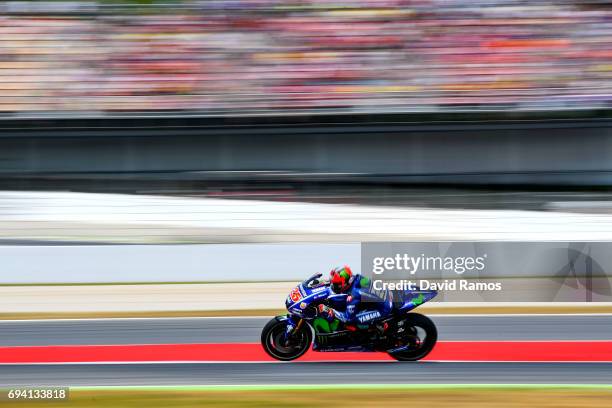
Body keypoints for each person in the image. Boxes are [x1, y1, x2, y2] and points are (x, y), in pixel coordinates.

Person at [317, 265, 391, 330]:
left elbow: (347, 318)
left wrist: (331, 311)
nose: (335, 287)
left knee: (355, 320)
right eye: (333, 283)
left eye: (338, 285)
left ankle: (376, 327)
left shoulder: (353, 294)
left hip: (383, 308)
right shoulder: (357, 278)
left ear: (347, 281)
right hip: (384, 295)